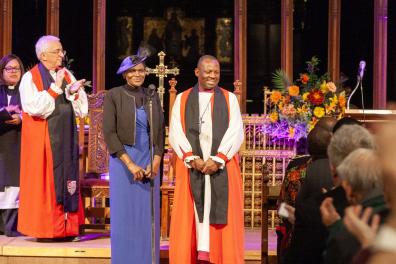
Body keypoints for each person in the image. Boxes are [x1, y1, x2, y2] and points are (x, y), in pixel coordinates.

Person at [169, 55, 244, 263]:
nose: (212, 76)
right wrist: (191, 158)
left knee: (221, 214)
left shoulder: (229, 99)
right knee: (191, 216)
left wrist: (219, 158)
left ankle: (221, 256)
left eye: (216, 72)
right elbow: (175, 132)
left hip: (221, 167)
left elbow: (236, 131)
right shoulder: (183, 99)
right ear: (197, 72)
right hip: (192, 167)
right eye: (208, 71)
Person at [17, 35, 88, 239]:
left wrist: (74, 92)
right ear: (43, 55)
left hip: (65, 135)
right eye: (57, 51)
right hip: (45, 139)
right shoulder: (30, 77)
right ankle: (47, 229)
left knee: (68, 177)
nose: (61, 55)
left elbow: (81, 109)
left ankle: (69, 228)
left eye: (61, 50)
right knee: (48, 182)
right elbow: (34, 108)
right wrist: (55, 88)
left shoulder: (65, 74)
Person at [103, 47, 164, 264]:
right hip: (124, 162)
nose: (138, 74)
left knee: (147, 217)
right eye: (133, 71)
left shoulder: (151, 95)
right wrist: (130, 165)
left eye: (141, 70)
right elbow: (109, 133)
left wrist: (155, 162)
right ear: (124, 73)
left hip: (149, 162)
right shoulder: (114, 95)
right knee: (125, 217)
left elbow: (158, 133)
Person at [0, 54, 24, 236]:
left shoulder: (26, 91)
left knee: (14, 186)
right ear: (2, 71)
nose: (13, 71)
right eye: (9, 68)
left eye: (17, 68)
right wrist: (5, 112)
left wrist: (21, 118)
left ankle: (11, 228)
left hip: (18, 144)